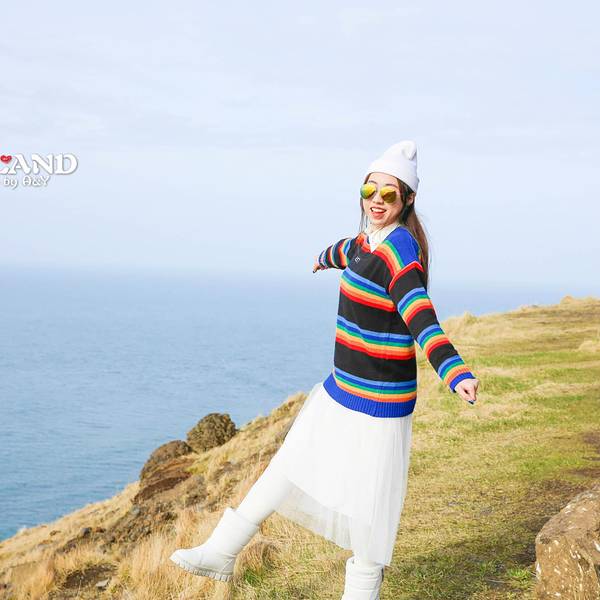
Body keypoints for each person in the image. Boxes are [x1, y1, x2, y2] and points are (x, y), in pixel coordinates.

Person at [169, 140, 480, 599]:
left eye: (388, 193)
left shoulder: (400, 253)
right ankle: (221, 551)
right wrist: (323, 257)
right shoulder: (365, 242)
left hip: (379, 399)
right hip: (341, 387)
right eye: (369, 190)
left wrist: (455, 372)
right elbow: (348, 250)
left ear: (408, 198)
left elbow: (421, 317)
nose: (376, 200)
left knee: (370, 509)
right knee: (287, 465)